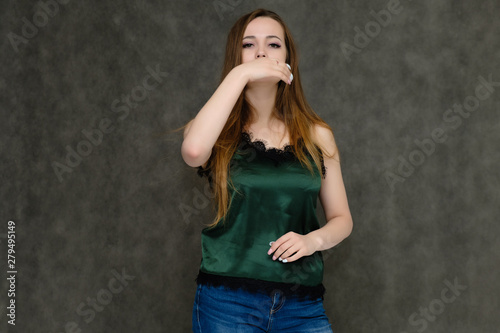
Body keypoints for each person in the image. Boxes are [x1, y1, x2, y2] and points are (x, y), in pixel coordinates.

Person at [180, 8, 353, 332]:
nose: (261, 52)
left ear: (288, 59)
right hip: (227, 302)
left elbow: (342, 219)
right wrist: (240, 75)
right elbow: (192, 152)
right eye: (248, 45)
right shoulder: (215, 129)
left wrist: (312, 241)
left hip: (302, 303)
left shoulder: (318, 134)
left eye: (273, 44)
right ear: (236, 55)